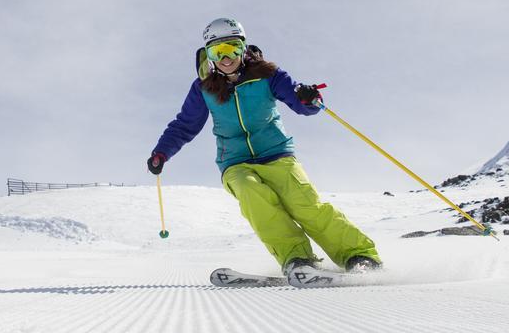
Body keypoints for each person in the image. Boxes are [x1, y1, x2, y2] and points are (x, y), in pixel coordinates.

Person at [147, 17, 381, 276]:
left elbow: (299, 102)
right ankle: (298, 260)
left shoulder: (268, 75)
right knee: (253, 197)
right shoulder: (204, 88)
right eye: (218, 51)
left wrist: (309, 98)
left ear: (243, 48)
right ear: (209, 55)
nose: (226, 58)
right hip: (234, 162)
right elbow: (184, 125)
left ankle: (358, 255)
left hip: (277, 154)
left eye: (232, 48)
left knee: (305, 205)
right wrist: (161, 152)